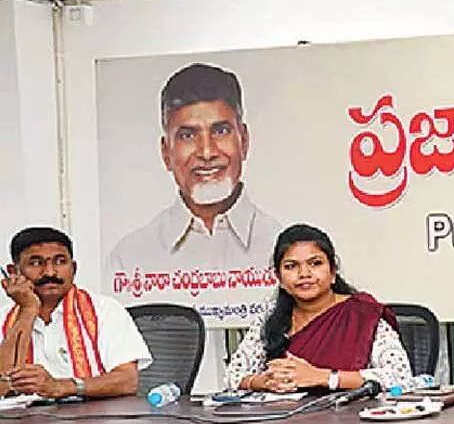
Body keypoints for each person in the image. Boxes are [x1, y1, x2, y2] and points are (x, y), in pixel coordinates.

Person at [107, 62, 282, 276]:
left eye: (221, 131)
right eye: (187, 135)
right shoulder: (128, 260)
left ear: (244, 141)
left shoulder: (284, 249)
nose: (207, 152)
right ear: (166, 153)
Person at [225, 223, 413, 392]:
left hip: (351, 417)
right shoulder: (271, 318)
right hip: (284, 417)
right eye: (291, 266)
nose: (304, 273)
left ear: (333, 272)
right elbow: (233, 376)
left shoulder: (362, 314)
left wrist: (323, 377)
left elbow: (399, 377)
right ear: (279, 278)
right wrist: (263, 382)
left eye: (315, 263)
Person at [0, 227, 151, 399]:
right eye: (36, 263)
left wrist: (61, 387)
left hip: (93, 413)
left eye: (60, 262)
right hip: (23, 416)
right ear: (13, 272)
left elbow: (128, 381)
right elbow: (2, 387)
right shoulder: (4, 317)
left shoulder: (104, 310)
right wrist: (28, 310)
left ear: (74, 268)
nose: (50, 272)